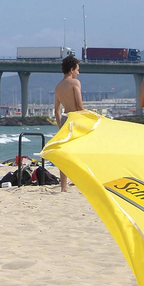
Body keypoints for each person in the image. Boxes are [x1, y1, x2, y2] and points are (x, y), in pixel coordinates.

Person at [53, 55, 84, 192]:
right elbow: (79, 105)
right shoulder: (75, 83)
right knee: (81, 151)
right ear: (71, 70)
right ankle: (82, 181)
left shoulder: (58, 87)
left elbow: (56, 110)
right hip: (76, 118)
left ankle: (63, 187)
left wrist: (60, 127)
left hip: (65, 120)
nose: (78, 72)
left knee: (64, 154)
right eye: (77, 69)